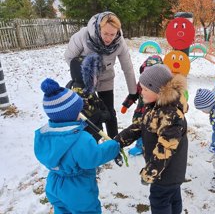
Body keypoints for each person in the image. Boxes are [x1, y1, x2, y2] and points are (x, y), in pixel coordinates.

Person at [34, 78, 120, 213]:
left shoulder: (43, 135)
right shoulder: (81, 139)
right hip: (78, 189)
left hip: (54, 184)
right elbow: (93, 157)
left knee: (61, 210)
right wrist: (114, 145)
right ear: (72, 114)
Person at [114, 64, 188, 214]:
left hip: (166, 172)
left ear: (159, 90)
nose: (141, 93)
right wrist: (119, 140)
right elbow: (141, 126)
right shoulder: (155, 106)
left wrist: (149, 173)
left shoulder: (170, 115)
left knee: (160, 200)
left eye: (145, 89)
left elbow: (164, 150)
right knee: (173, 197)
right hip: (169, 171)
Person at [64, 11, 137, 139]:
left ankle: (114, 144)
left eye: (112, 34)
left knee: (109, 112)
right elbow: (70, 57)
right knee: (90, 113)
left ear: (118, 32)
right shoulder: (83, 36)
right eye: (105, 34)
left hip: (106, 78)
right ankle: (94, 145)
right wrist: (82, 74)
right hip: (85, 81)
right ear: (99, 28)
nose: (109, 38)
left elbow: (128, 67)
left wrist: (133, 92)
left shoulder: (119, 43)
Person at [121, 55, 163, 156]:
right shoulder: (141, 84)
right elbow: (134, 94)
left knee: (153, 130)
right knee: (139, 129)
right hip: (140, 112)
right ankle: (140, 146)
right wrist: (126, 105)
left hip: (155, 114)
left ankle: (154, 145)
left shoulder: (162, 86)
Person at [66, 53, 111, 143]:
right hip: (88, 138)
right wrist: (102, 115)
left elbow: (98, 102)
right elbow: (88, 117)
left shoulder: (86, 89)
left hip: (94, 134)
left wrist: (103, 109)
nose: (97, 78)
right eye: (94, 76)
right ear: (84, 77)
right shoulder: (79, 96)